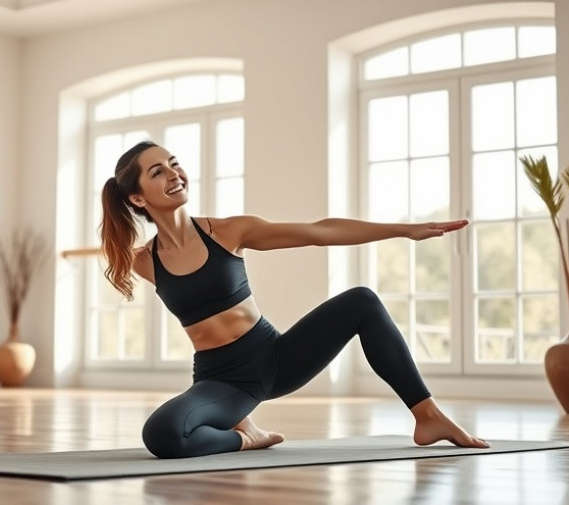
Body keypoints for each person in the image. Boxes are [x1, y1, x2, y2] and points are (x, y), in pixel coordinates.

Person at [99, 140, 489, 459]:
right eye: (158, 172)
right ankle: (245, 436)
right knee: (162, 435)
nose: (174, 174)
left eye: (173, 163)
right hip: (222, 382)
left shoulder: (228, 231)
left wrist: (404, 230)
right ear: (136, 198)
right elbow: (113, 249)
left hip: (276, 357)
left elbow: (319, 231)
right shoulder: (144, 263)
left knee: (361, 301)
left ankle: (428, 415)